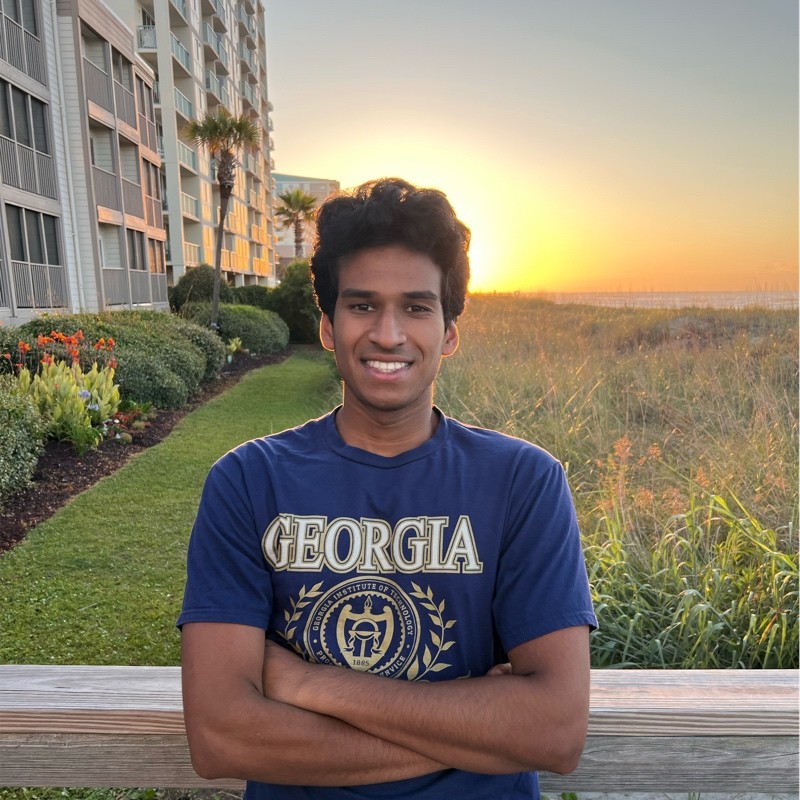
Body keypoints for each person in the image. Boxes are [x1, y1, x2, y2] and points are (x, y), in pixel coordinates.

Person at [178, 177, 597, 800]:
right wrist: (478, 731)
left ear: (449, 332)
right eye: (363, 305)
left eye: (417, 308)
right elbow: (221, 737)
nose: (389, 334)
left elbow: (554, 731)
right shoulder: (247, 481)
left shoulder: (522, 481)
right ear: (327, 325)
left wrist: (309, 684)